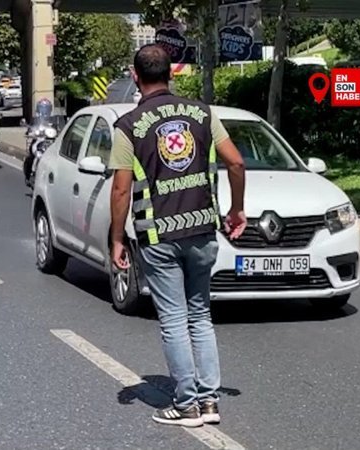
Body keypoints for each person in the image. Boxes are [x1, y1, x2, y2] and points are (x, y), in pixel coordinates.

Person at [108, 44, 248, 427]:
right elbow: (235, 161)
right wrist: (236, 209)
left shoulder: (128, 126)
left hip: (160, 237)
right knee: (200, 316)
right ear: (172, 72)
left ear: (135, 76)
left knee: (173, 319)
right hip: (204, 231)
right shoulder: (203, 114)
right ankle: (209, 402)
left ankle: (186, 404)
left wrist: (117, 239)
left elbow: (120, 190)